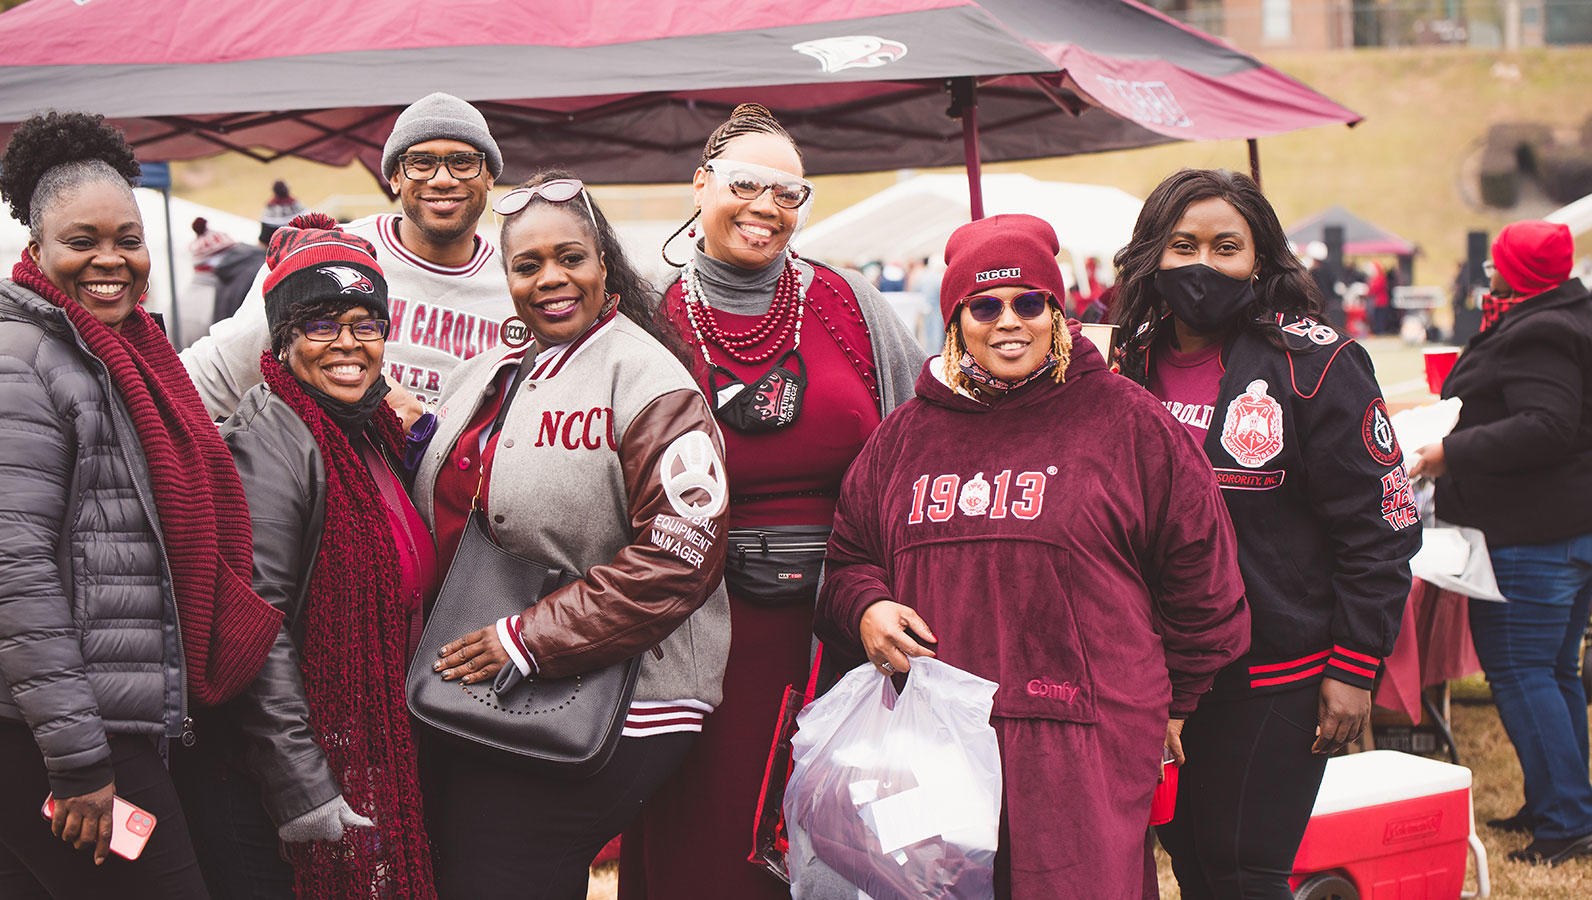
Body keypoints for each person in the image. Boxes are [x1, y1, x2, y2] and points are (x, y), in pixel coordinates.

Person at [812, 213, 1249, 899]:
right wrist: (865, 608)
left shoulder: (1128, 424)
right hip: (936, 742)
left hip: (1081, 746)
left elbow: (1205, 583)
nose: (1007, 321)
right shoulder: (905, 438)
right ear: (955, 319)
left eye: (1028, 302)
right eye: (983, 306)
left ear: (1057, 310)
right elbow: (847, 562)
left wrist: (1177, 699)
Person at [621, 103, 926, 900]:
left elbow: (922, 443)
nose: (766, 207)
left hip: (846, 627)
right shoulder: (645, 313)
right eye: (746, 183)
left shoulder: (849, 303)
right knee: (709, 849)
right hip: (694, 634)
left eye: (789, 193)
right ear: (700, 186)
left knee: (838, 847)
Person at [411, 172, 730, 899]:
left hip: (625, 694)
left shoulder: (647, 378)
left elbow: (681, 554)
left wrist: (529, 640)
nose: (551, 278)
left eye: (570, 257)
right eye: (527, 265)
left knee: (502, 875)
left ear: (603, 263)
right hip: (485, 688)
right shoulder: (489, 369)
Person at [0, 112, 281, 899]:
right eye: (81, 241)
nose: (110, 259)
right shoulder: (23, 363)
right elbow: (13, 575)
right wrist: (80, 759)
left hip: (92, 717)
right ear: (37, 246)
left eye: (127, 238)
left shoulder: (120, 355)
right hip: (59, 736)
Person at [1110, 169, 1421, 900]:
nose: (1203, 265)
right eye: (1183, 245)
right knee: (1189, 865)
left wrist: (1353, 668)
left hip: (1274, 673)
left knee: (1244, 873)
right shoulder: (1120, 362)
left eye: (1227, 247)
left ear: (1261, 259)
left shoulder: (1316, 366)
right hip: (1152, 674)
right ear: (1153, 252)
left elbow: (1380, 530)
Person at [172, 215, 439, 898]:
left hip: (346, 752)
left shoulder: (367, 430)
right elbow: (258, 636)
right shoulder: (270, 444)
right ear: (283, 339)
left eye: (364, 323)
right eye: (320, 324)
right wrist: (303, 789)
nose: (347, 344)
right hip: (272, 783)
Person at [1410, 220, 1592, 866]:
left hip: (1532, 536)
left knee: (1522, 673)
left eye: (1497, 263)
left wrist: (1447, 453)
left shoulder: (1543, 330)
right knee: (1555, 672)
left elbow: (1546, 424)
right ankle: (1562, 802)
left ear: (1520, 270)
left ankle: (1566, 820)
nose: (1488, 270)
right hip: (1563, 531)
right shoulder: (1564, 310)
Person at [182, 92, 511, 418]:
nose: (442, 179)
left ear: (489, 177)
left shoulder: (518, 281)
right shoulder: (327, 254)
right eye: (421, 163)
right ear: (395, 177)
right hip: (334, 467)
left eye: (463, 163)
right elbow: (221, 372)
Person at [258, 181, 305, 245]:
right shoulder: (297, 206)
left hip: (275, 245)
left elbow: (263, 240)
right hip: (298, 244)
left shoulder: (270, 209)